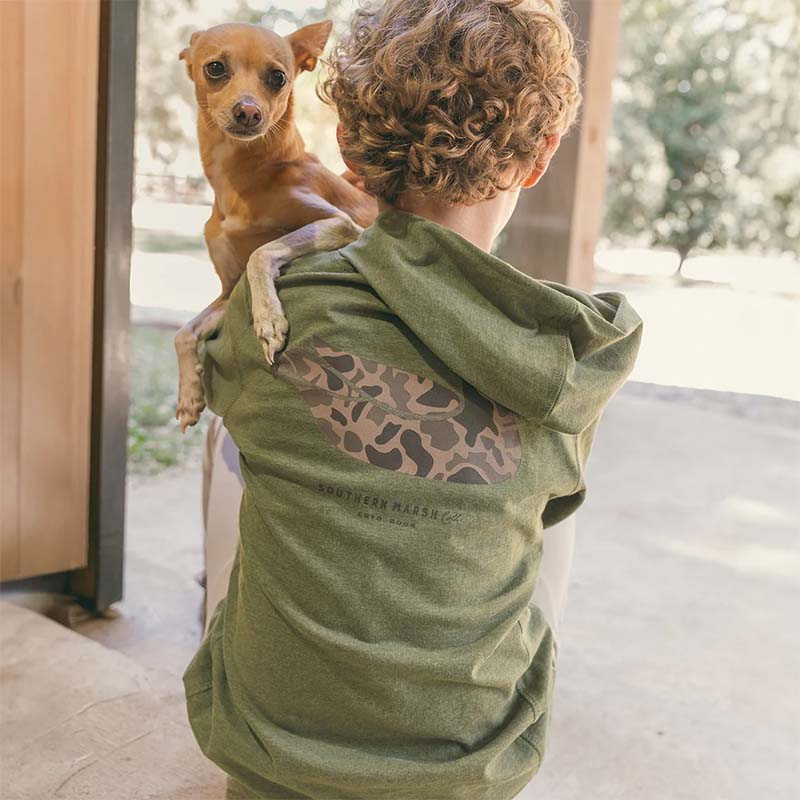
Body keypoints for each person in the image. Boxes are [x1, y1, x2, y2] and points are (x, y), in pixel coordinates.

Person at [182, 1, 643, 798]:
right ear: (539, 159)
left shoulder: (277, 305)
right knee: (543, 501)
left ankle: (223, 628)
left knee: (233, 441)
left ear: (351, 159)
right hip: (466, 775)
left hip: (269, 765)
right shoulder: (563, 352)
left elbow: (228, 371)